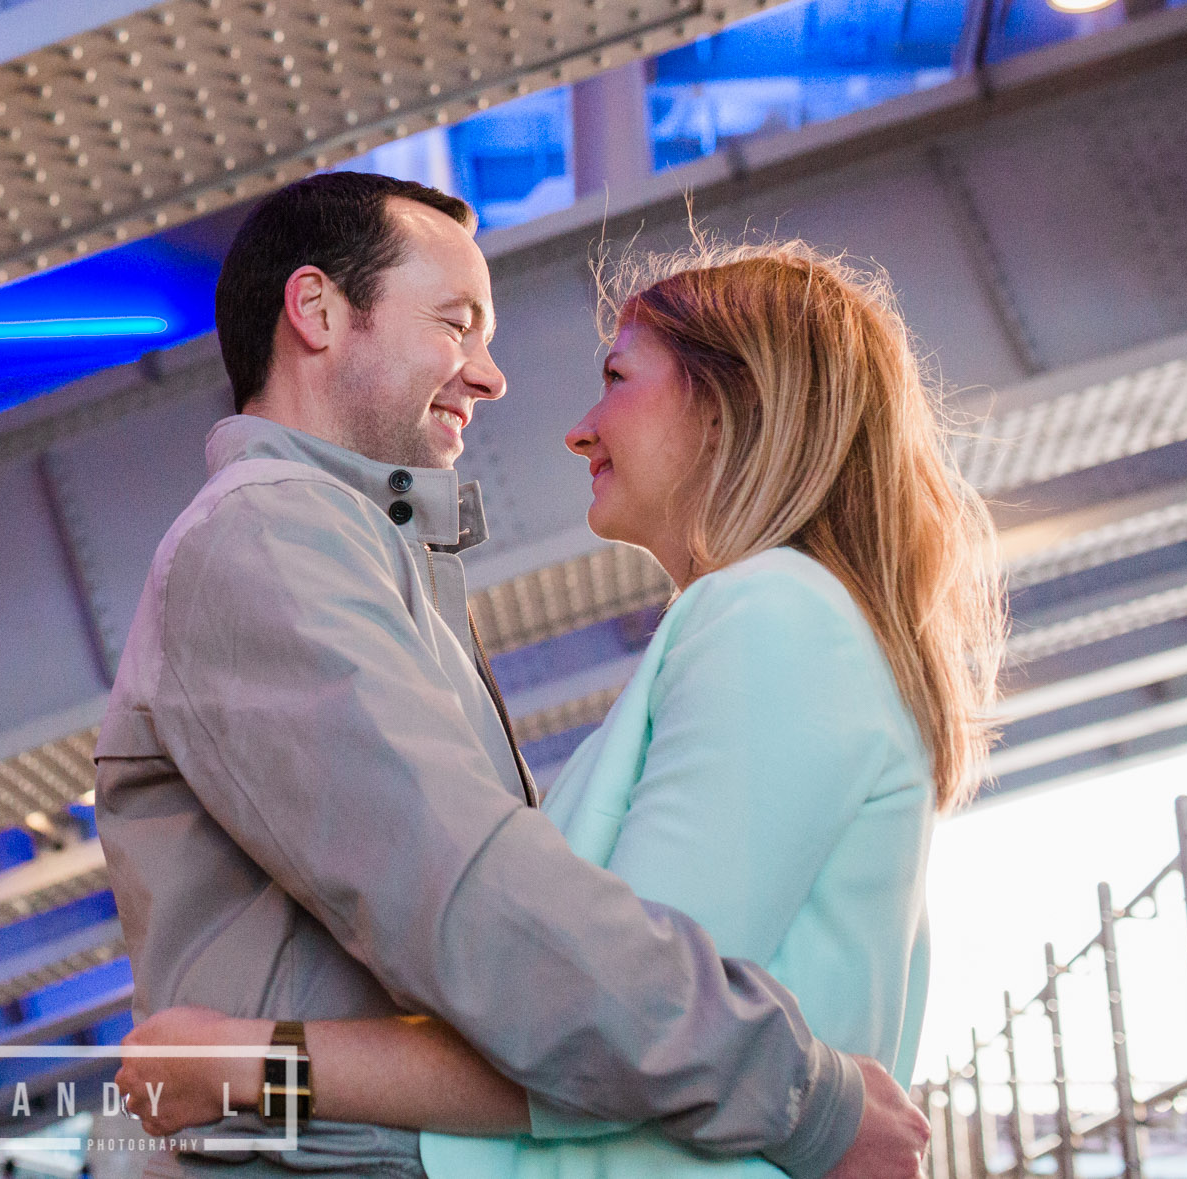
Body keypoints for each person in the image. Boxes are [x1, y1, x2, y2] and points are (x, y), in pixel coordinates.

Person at [94, 174, 942, 1179]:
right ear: (317, 313)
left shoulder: (366, 558)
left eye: (614, 377)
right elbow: (497, 923)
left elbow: (550, 986)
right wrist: (806, 1095)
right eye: (457, 324)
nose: (496, 379)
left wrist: (242, 1065)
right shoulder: (269, 535)